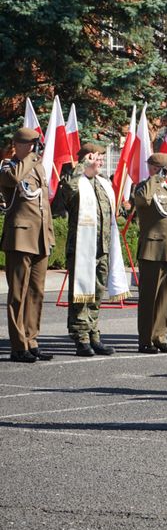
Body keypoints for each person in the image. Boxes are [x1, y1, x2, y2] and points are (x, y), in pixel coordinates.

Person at [54, 142, 124, 356]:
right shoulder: (74, 181)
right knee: (81, 295)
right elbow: (68, 192)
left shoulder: (103, 183)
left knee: (97, 294)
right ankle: (81, 337)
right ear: (86, 158)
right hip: (82, 249)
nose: (100, 161)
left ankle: (93, 333)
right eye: (96, 157)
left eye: (102, 158)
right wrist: (81, 165)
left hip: (102, 248)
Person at [2, 127, 55, 362]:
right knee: (18, 294)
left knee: (36, 292)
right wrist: (31, 158)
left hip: (40, 238)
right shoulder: (7, 167)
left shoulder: (39, 168)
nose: (36, 149)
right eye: (32, 145)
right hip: (20, 238)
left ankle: (32, 339)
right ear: (20, 145)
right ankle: (18, 344)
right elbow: (13, 180)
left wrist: (50, 235)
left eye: (37, 145)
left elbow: (45, 206)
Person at [132, 153, 167, 353]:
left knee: (165, 297)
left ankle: (160, 336)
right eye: (165, 168)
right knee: (149, 297)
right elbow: (142, 200)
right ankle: (145, 339)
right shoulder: (145, 186)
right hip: (152, 249)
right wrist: (155, 178)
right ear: (155, 168)